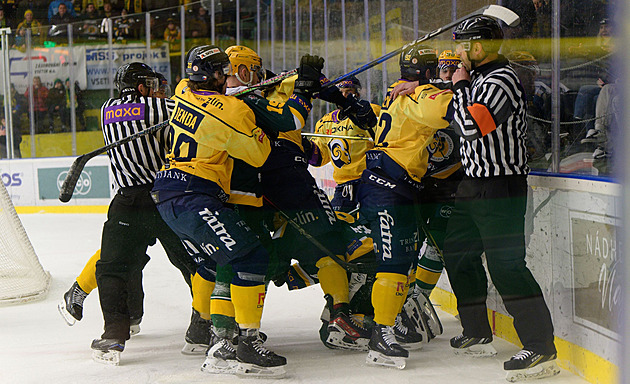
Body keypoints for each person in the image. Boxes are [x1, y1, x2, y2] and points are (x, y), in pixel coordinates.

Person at [151, 45, 287, 377]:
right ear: (215, 75)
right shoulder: (231, 111)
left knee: (221, 261)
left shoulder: (183, 90)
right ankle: (245, 344)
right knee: (250, 258)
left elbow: (213, 102)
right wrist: (257, 106)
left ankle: (222, 340)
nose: (227, 78)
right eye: (223, 73)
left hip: (168, 193)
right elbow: (260, 155)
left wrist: (237, 101)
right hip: (194, 195)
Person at [444, 16, 558, 382]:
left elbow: (471, 127)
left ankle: (541, 346)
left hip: (501, 187)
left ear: (480, 48)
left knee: (507, 266)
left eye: (463, 45)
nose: (458, 52)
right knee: (457, 253)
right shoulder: (477, 78)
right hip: (473, 185)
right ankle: (477, 329)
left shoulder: (501, 80)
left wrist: (458, 87)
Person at [88, 62, 198, 366]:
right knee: (191, 261)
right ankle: (208, 323)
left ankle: (115, 330)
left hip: (126, 202)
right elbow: (196, 110)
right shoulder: (157, 108)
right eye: (152, 84)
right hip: (165, 198)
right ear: (141, 87)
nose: (157, 89)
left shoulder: (107, 109)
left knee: (113, 266)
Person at [356, 45, 452, 369]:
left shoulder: (397, 92)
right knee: (394, 264)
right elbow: (446, 111)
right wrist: (436, 87)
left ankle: (388, 325)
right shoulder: (417, 94)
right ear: (428, 72)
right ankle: (381, 336)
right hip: (388, 188)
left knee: (402, 263)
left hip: (394, 187)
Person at [305, 75, 377, 213]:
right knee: (338, 228)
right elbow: (319, 157)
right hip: (343, 188)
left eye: (348, 91)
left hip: (370, 183)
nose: (344, 96)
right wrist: (303, 146)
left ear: (357, 92)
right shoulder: (325, 122)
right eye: (340, 92)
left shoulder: (370, 111)